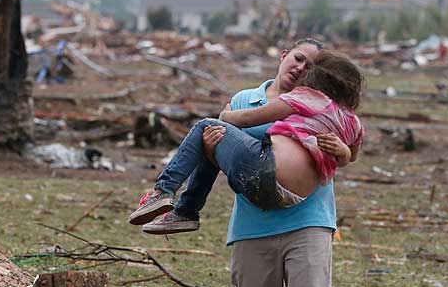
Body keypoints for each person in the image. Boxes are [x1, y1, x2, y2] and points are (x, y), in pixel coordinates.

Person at [137, 38, 351, 287]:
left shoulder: (323, 104)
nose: (301, 67)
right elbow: (219, 150)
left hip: (310, 220)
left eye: (311, 65)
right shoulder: (243, 101)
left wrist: (343, 150)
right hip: (253, 223)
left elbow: (349, 147)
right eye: (298, 58)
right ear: (284, 56)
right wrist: (210, 142)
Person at [128, 50, 363, 227]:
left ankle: (164, 193)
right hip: (291, 198)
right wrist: (343, 151)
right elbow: (351, 156)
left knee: (206, 127)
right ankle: (185, 212)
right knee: (214, 138)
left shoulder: (306, 96)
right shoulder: (353, 121)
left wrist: (225, 114)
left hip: (267, 172)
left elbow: (248, 119)